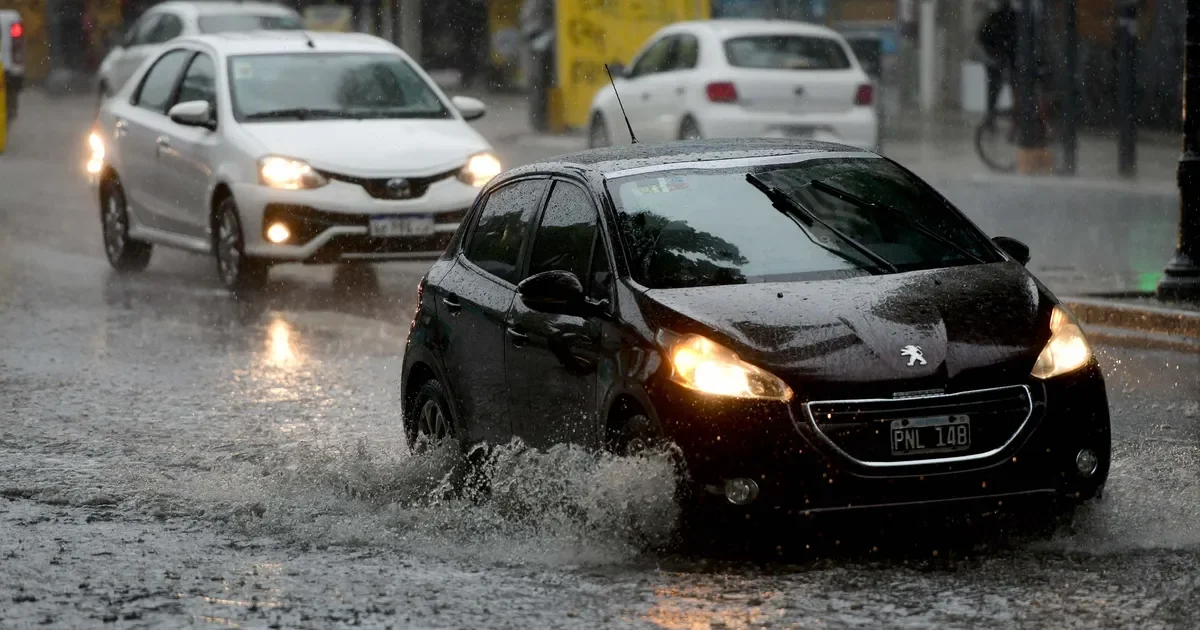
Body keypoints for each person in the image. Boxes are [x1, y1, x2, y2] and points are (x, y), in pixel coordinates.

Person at [977, 0, 1017, 123]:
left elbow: (982, 35)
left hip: (999, 58)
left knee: (995, 89)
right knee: (1005, 88)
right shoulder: (1008, 18)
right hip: (1001, 58)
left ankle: (991, 116)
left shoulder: (995, 18)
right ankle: (993, 116)